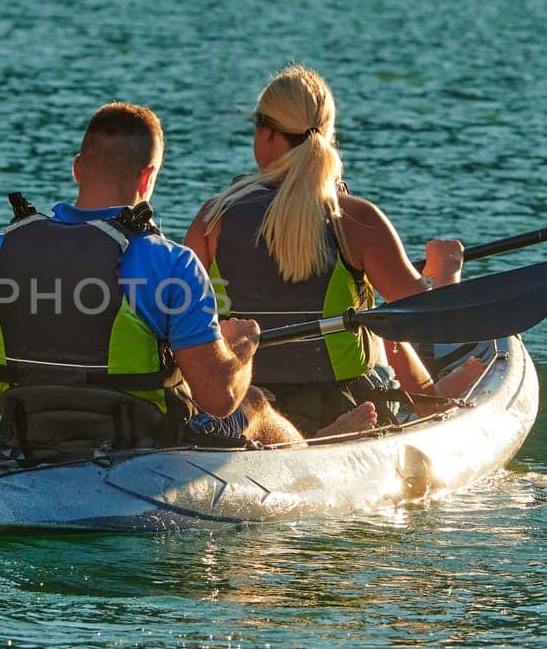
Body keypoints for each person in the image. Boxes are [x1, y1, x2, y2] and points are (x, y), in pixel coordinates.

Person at [0, 101, 372, 452]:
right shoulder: (171, 265)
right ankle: (312, 450)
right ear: (148, 177)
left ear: (78, 169)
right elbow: (219, 399)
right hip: (138, 447)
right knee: (257, 404)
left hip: (28, 436)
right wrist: (243, 345)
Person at [184, 63, 484, 435]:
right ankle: (417, 402)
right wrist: (447, 271)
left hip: (239, 397)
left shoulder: (212, 217)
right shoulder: (357, 219)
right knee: (382, 329)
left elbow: (183, 318)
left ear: (265, 133)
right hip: (341, 401)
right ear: (327, 134)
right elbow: (432, 320)